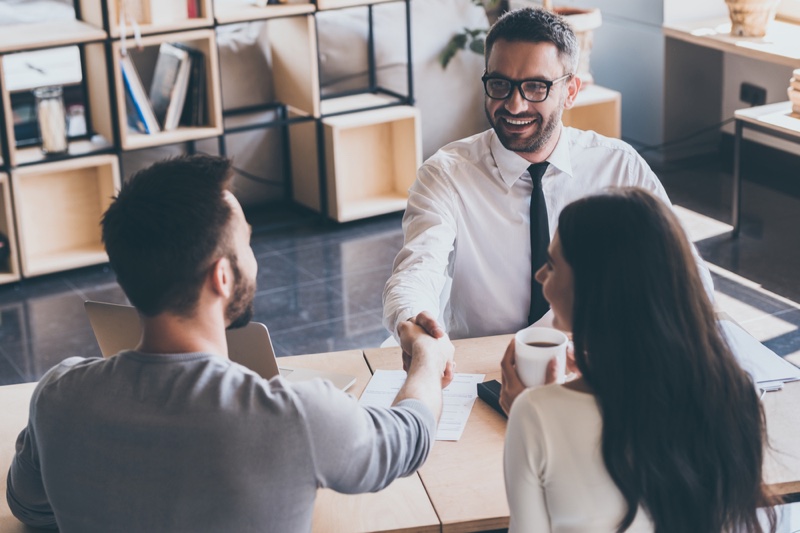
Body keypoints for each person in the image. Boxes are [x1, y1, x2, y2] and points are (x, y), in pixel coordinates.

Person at [6, 154, 455, 532]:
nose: (254, 260)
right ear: (222, 276)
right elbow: (409, 437)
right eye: (247, 245)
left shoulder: (58, 396)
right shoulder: (295, 417)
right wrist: (427, 360)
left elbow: (26, 504)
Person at [382, 7, 712, 341]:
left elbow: (685, 271)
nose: (514, 105)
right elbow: (416, 269)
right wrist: (413, 319)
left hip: (592, 358)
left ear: (570, 92)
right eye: (500, 84)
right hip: (482, 361)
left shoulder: (619, 166)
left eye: (536, 87)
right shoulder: (446, 174)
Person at [499, 187, 776, 532]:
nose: (541, 275)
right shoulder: (736, 395)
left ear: (595, 290)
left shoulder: (535, 414)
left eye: (553, 266)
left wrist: (530, 410)